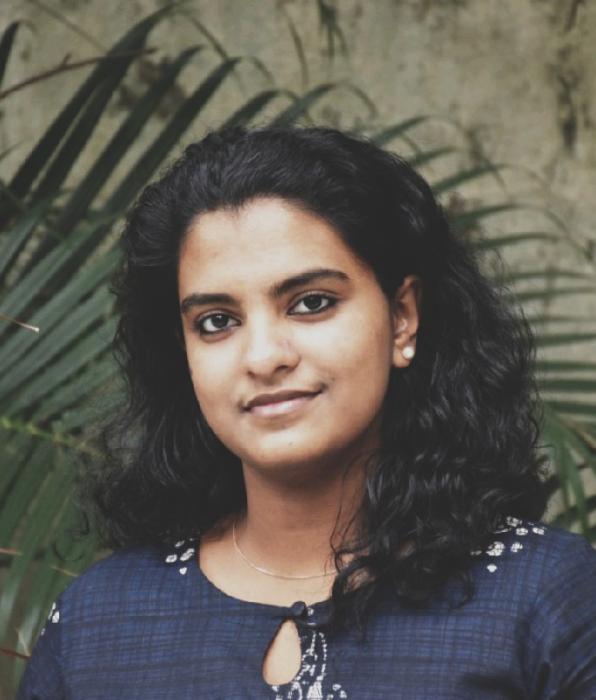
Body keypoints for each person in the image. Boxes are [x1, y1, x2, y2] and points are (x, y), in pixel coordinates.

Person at [17, 125, 596, 699]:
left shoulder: (549, 600)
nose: (264, 357)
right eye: (216, 321)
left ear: (402, 319)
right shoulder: (98, 623)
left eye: (311, 303)